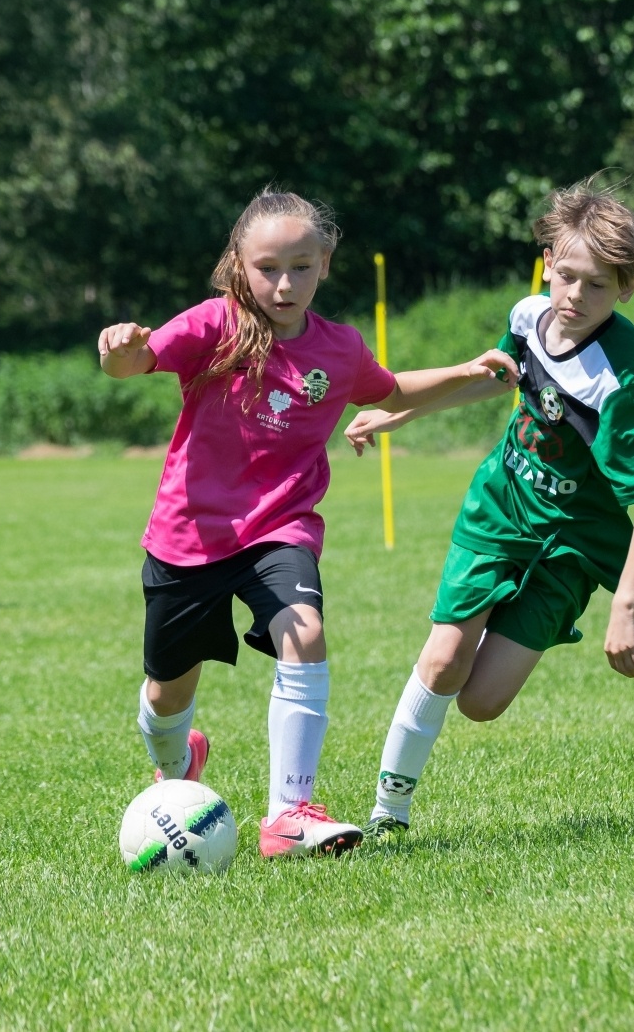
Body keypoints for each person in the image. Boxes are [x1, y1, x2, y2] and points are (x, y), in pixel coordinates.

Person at [98, 189, 518, 858]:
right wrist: (118, 347)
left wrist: (469, 371)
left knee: (305, 629)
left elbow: (391, 390)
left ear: (326, 262)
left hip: (280, 527)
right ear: (240, 263)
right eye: (268, 267)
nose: (284, 282)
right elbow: (135, 362)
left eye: (301, 265)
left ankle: (288, 814)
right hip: (190, 535)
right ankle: (176, 766)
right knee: (166, 691)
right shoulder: (215, 325)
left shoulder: (339, 349)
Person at [347, 177, 634, 839]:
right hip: (500, 506)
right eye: (566, 276)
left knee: (481, 702)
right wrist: (392, 414)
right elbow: (491, 377)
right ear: (548, 262)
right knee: (444, 657)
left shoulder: (621, 381)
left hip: (572, 545)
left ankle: (514, 625)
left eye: (597, 286)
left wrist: (627, 605)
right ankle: (389, 814)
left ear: (628, 288)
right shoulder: (530, 316)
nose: (575, 297)